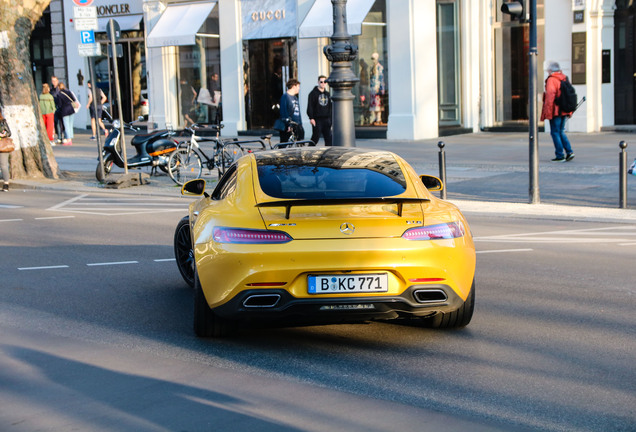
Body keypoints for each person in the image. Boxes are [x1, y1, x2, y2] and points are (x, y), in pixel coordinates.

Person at [541, 61, 574, 162]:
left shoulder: (552, 80)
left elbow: (550, 97)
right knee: (561, 131)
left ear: (550, 70)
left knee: (555, 132)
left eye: (548, 70)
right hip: (564, 110)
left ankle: (560, 155)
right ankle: (569, 152)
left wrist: (547, 113)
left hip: (556, 111)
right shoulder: (564, 78)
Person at [307, 75, 332, 146]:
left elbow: (330, 107)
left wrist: (331, 119)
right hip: (317, 119)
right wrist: (311, 118)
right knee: (315, 137)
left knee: (329, 138)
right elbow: (310, 106)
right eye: (321, 82)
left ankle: (328, 154)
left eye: (325, 82)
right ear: (318, 82)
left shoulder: (327, 94)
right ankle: (309, 151)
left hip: (326, 119)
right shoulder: (312, 94)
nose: (323, 83)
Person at [369, 52, 385, 125]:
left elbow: (381, 78)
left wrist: (381, 88)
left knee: (378, 103)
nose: (373, 60)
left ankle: (379, 118)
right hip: (373, 88)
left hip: (377, 87)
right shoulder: (372, 67)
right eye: (372, 59)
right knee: (374, 104)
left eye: (374, 59)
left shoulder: (379, 67)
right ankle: (375, 118)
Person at [50, 76, 65, 144]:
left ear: (57, 81)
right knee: (56, 122)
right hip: (55, 107)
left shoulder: (60, 89)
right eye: (53, 81)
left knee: (62, 123)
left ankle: (63, 137)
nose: (54, 82)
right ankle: (59, 136)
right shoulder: (51, 90)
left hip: (61, 107)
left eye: (55, 81)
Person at [0, 106, 11, 192]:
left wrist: (2, 135)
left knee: (3, 165)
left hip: (2, 145)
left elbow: (8, 133)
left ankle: (6, 183)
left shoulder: (2, 122)